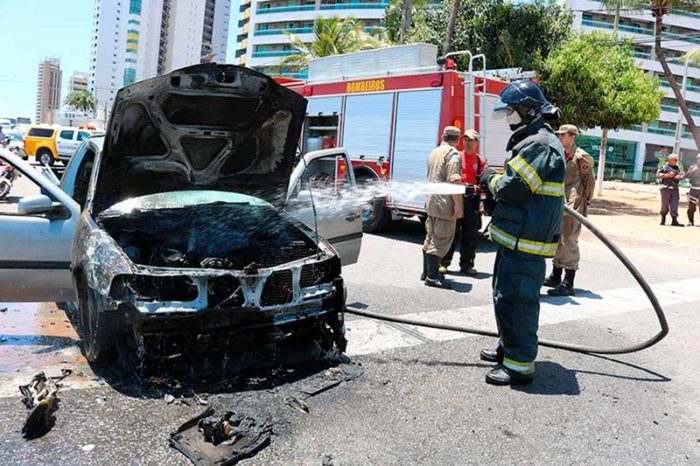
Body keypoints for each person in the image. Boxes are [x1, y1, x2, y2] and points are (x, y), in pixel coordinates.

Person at [478, 79, 566, 385]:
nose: (509, 115)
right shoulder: (531, 141)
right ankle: (508, 348)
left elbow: (514, 189)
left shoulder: (540, 144)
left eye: (512, 109)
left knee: (518, 301)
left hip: (525, 242)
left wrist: (490, 180)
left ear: (528, 110)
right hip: (514, 238)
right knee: (504, 296)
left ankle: (520, 364)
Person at [544, 124, 595, 297]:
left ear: (572, 137)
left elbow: (589, 183)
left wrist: (582, 203)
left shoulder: (580, 157)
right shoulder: (559, 153)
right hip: (560, 202)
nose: (560, 137)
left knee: (569, 241)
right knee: (558, 239)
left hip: (574, 204)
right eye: (559, 134)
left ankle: (568, 282)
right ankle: (556, 275)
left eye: (563, 135)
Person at [440, 129, 487, 276]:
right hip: (457, 199)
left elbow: (484, 184)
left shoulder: (481, 161)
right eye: (465, 139)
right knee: (451, 233)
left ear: (476, 143)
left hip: (473, 202)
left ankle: (467, 265)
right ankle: (444, 263)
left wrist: (482, 203)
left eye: (470, 140)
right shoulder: (457, 156)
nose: (467, 143)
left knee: (470, 235)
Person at [421, 126, 463, 289]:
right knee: (441, 239)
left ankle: (426, 272)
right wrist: (458, 206)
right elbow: (454, 181)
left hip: (431, 201)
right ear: (457, 139)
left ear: (443, 136)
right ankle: (432, 276)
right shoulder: (453, 154)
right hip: (444, 204)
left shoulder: (434, 152)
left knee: (430, 236)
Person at [656, 153, 684, 227]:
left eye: (676, 159)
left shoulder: (678, 167)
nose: (676, 161)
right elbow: (658, 175)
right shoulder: (663, 167)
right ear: (669, 160)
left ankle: (674, 220)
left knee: (675, 204)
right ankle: (663, 219)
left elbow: (682, 174)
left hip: (675, 189)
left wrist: (680, 177)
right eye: (674, 159)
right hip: (665, 188)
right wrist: (667, 175)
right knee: (664, 204)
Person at [685, 154, 700, 226]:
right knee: (691, 207)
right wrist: (695, 171)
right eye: (699, 159)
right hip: (693, 189)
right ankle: (691, 221)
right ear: (696, 159)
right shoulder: (692, 167)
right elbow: (687, 176)